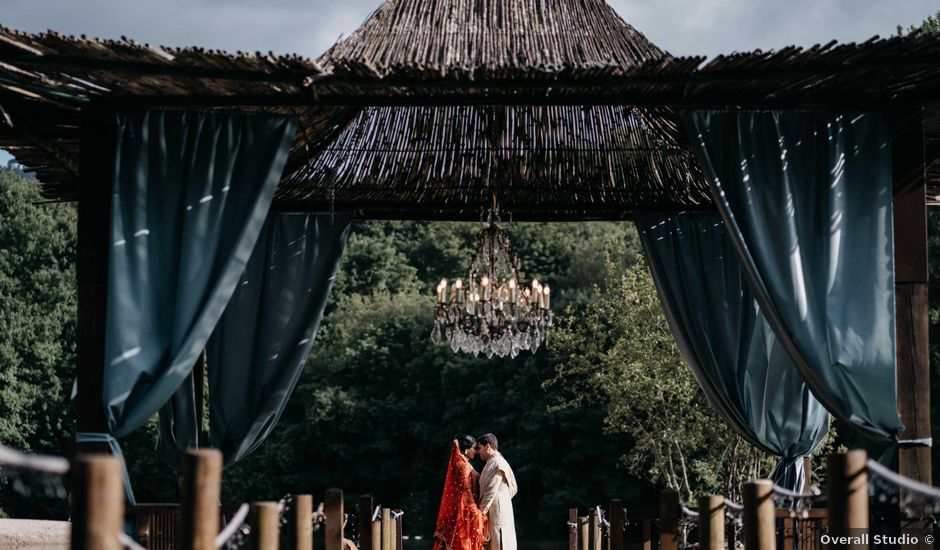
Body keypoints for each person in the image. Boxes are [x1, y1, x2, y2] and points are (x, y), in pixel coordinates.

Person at [433, 435, 487, 550]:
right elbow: (465, 493)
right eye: (474, 448)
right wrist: (476, 513)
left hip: (461, 511)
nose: (476, 452)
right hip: (464, 513)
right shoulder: (463, 466)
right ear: (467, 449)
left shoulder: (462, 463)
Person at [475, 433, 517, 550]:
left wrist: (479, 516)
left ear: (487, 446)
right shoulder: (492, 462)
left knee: (500, 544)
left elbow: (490, 492)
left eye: (479, 448)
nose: (478, 452)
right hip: (494, 513)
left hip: (498, 515)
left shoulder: (497, 463)